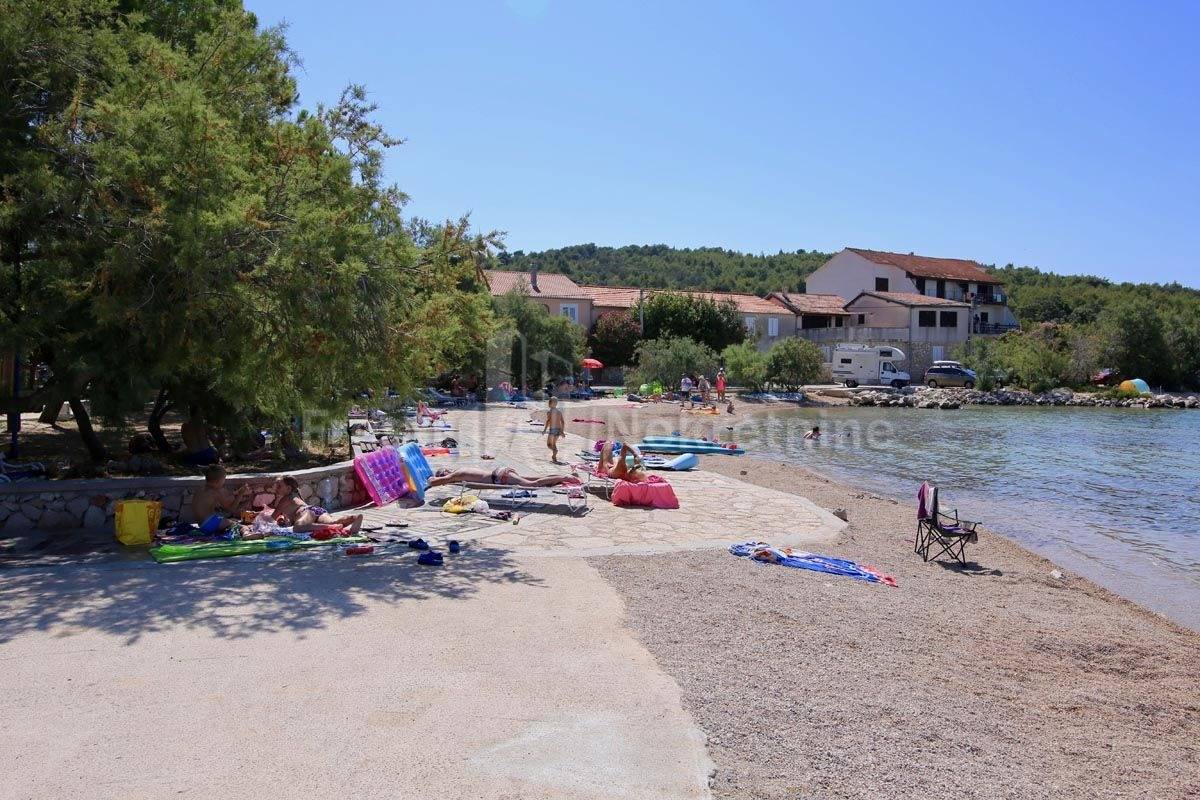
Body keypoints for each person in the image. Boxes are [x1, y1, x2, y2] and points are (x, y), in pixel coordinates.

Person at [272, 476, 363, 534]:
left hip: (307, 512)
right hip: (316, 510)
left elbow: (272, 517)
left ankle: (329, 527)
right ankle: (355, 518)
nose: (276, 489)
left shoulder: (286, 499)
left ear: (288, 488)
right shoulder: (296, 496)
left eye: (279, 486)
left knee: (298, 528)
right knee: (333, 521)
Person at [192, 464, 252, 534]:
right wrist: (240, 494)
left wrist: (236, 493)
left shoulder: (200, 489)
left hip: (202, 524)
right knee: (241, 526)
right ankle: (246, 534)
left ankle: (250, 520)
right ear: (218, 481)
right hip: (210, 523)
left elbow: (226, 498)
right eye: (224, 479)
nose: (224, 482)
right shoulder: (216, 492)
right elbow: (231, 509)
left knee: (232, 520)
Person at [427, 466, 575, 488]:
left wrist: (430, 479)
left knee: (533, 484)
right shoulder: (461, 470)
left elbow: (435, 483)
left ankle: (565, 477)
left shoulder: (456, 474)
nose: (444, 478)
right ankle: (561, 477)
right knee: (534, 478)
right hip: (501, 472)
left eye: (442, 474)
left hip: (500, 476)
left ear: (446, 472)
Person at [542, 396, 566, 464]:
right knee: (554, 443)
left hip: (552, 430)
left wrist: (544, 430)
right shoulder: (559, 412)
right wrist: (562, 431)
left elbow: (548, 421)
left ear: (550, 403)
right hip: (558, 430)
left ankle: (555, 451)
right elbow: (563, 422)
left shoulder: (549, 412)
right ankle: (554, 457)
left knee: (549, 444)